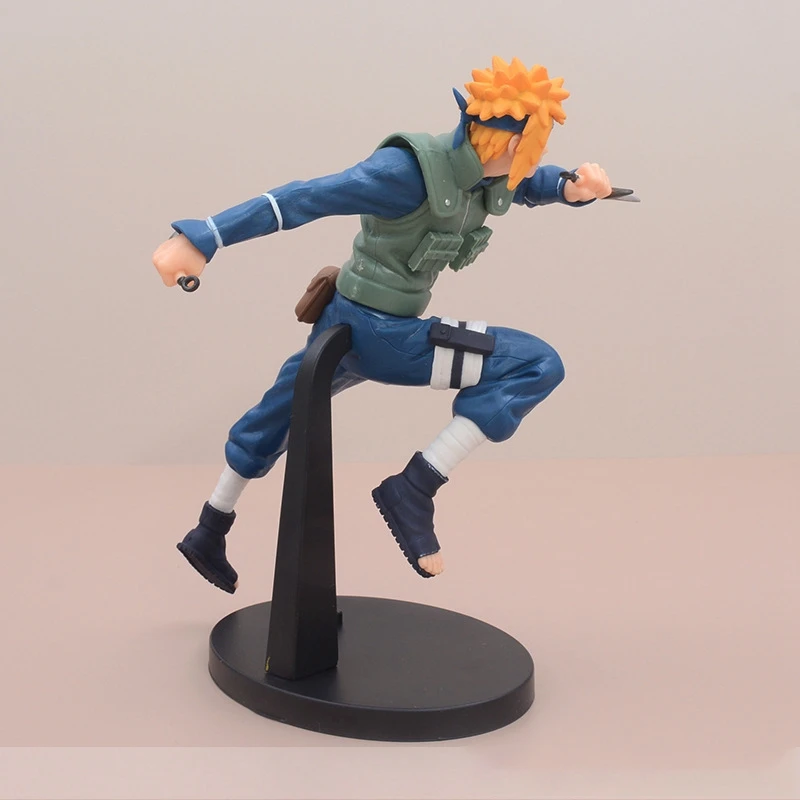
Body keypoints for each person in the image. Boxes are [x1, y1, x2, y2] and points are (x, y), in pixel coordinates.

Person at [153, 56, 613, 592]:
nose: (535, 159)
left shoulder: (486, 171)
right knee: (536, 364)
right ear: (511, 141)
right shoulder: (405, 173)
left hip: (342, 322)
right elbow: (304, 197)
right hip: (383, 337)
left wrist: (570, 187)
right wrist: (204, 237)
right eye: (535, 146)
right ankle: (415, 486)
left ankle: (209, 528)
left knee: (280, 411)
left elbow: (525, 183)